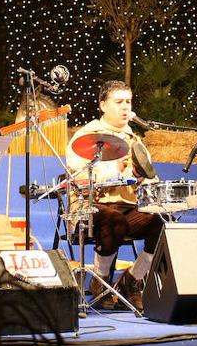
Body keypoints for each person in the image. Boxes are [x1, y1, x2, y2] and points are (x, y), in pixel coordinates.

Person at [65, 81, 163, 310]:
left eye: (128, 102)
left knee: (160, 222)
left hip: (128, 206)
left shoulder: (134, 140)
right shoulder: (86, 136)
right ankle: (101, 281)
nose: (125, 107)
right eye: (118, 102)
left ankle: (132, 279)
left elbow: (151, 178)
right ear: (102, 105)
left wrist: (143, 179)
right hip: (91, 207)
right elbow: (78, 175)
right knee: (113, 220)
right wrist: (113, 169)